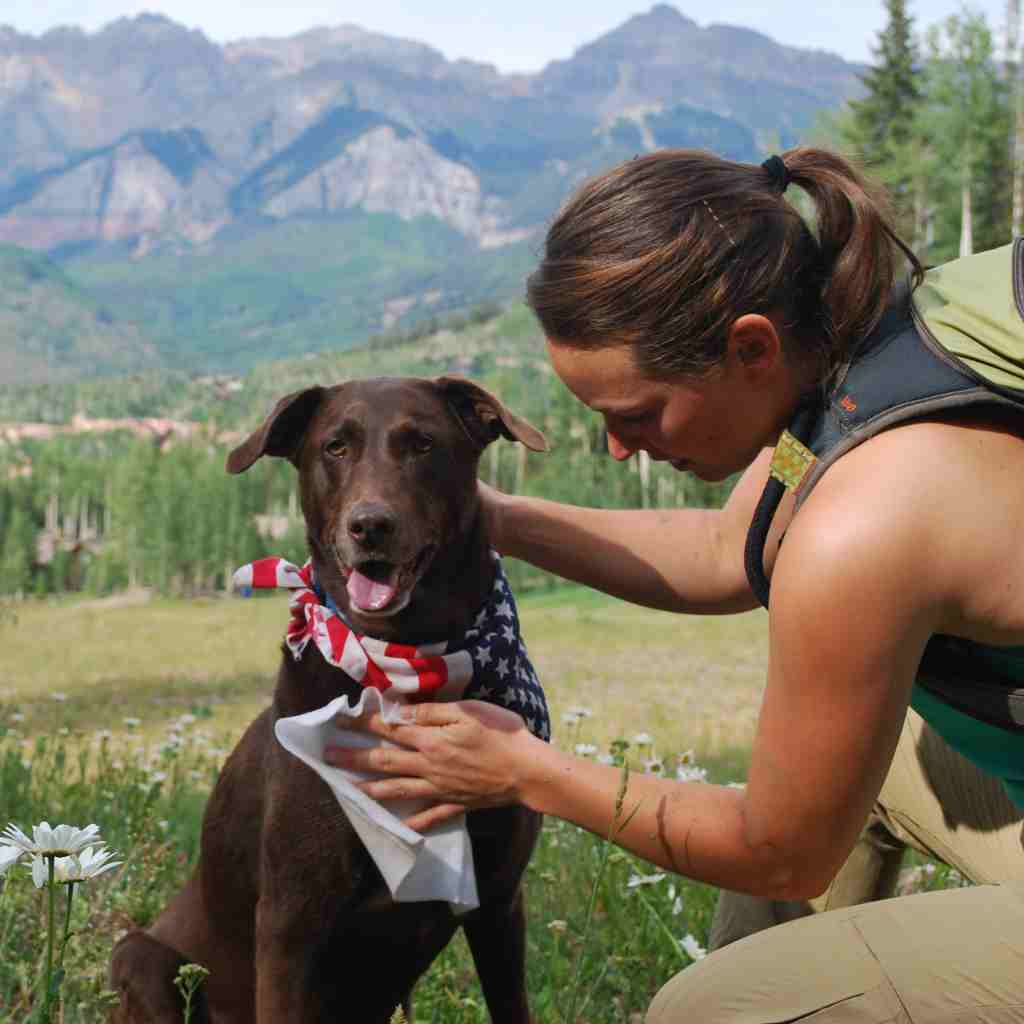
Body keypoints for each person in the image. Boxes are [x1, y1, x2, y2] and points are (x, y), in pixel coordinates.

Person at [324, 146, 1024, 1022]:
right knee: (852, 773)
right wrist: (480, 512)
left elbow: (780, 855)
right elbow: (729, 549)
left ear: (750, 347)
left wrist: (522, 769)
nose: (620, 448)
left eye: (636, 415)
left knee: (711, 1008)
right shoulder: (893, 343)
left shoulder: (867, 522)